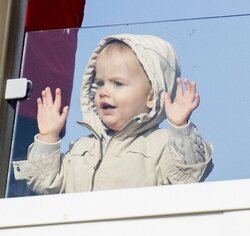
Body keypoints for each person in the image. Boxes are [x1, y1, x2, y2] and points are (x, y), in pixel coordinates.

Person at [13, 34, 213, 194]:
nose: (103, 91)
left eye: (117, 83)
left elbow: (187, 176)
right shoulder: (81, 148)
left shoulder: (161, 143)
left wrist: (180, 127)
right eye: (100, 83)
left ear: (151, 97)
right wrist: (48, 137)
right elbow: (42, 182)